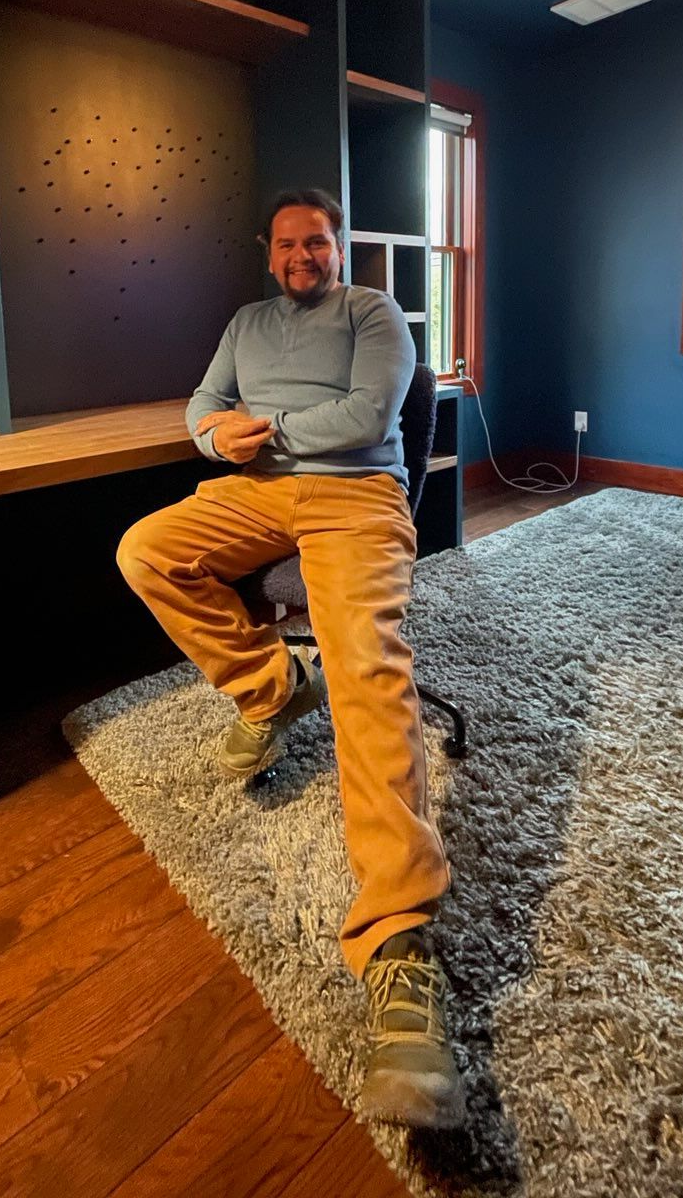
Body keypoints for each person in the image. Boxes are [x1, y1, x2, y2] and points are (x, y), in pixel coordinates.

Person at [116, 189, 464, 1130]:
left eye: (317, 240)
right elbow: (202, 403)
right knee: (146, 551)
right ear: (269, 254)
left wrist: (254, 433)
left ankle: (396, 939)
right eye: (287, 243)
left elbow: (363, 417)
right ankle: (273, 685)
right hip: (259, 495)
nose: (302, 254)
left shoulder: (374, 313)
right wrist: (208, 434)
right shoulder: (246, 322)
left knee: (368, 665)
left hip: (354, 496)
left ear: (339, 249)